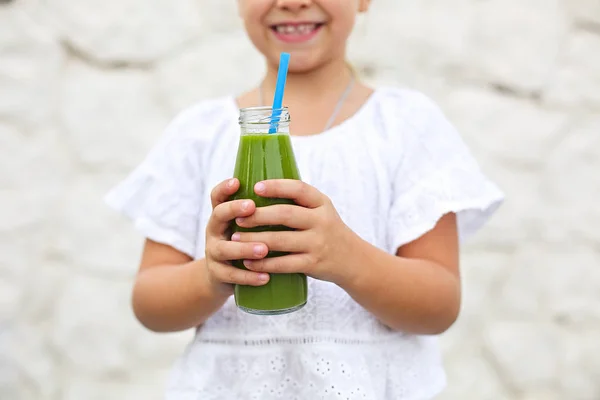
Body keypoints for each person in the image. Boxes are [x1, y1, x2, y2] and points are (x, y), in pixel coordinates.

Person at [106, 0, 504, 398]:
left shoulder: (407, 127)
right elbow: (150, 303)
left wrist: (348, 258)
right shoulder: (199, 134)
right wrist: (211, 274)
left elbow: (439, 305)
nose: (292, 1)